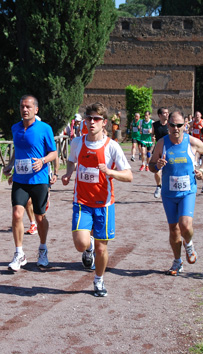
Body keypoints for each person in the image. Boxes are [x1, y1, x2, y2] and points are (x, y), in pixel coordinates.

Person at [61, 102, 132, 297]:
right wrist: (68, 174)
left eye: (96, 119)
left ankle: (99, 280)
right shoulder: (77, 142)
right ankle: (87, 248)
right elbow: (71, 160)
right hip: (82, 202)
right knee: (80, 243)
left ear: (104, 123)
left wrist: (110, 172)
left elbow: (129, 175)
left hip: (104, 204)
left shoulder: (112, 147)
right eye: (89, 118)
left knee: (103, 248)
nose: (92, 122)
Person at [149, 110, 203, 276]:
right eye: (172, 125)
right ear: (168, 125)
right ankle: (177, 262)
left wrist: (202, 170)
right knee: (174, 230)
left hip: (187, 191)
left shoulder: (192, 142)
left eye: (179, 125)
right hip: (169, 193)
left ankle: (189, 244)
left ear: (185, 125)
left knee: (185, 225)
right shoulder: (162, 143)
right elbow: (151, 166)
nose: (175, 128)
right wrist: (157, 166)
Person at [2, 95, 57, 271]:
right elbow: (18, 151)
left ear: (36, 110)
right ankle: (19, 253)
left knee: (40, 217)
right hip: (20, 179)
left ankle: (43, 248)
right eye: (22, 107)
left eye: (28, 107)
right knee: (17, 214)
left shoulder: (44, 128)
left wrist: (43, 161)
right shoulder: (15, 128)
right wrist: (10, 166)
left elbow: (53, 153)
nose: (24, 110)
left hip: (39, 179)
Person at [152, 107, 170, 198]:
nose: (167, 114)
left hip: (169, 149)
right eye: (164, 113)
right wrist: (152, 138)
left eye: (167, 112)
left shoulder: (170, 125)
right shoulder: (155, 125)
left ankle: (167, 189)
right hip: (158, 149)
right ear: (159, 115)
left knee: (169, 170)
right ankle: (159, 186)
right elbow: (152, 134)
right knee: (156, 169)